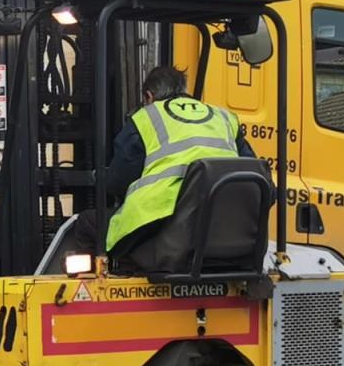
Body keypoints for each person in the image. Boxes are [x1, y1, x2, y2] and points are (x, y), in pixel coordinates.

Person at [71, 66, 255, 256]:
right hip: (226, 226)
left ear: (149, 97)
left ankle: (113, 278)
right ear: (183, 91)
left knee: (87, 223)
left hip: (162, 224)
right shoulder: (223, 118)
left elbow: (118, 181)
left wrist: (101, 177)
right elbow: (255, 173)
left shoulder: (146, 118)